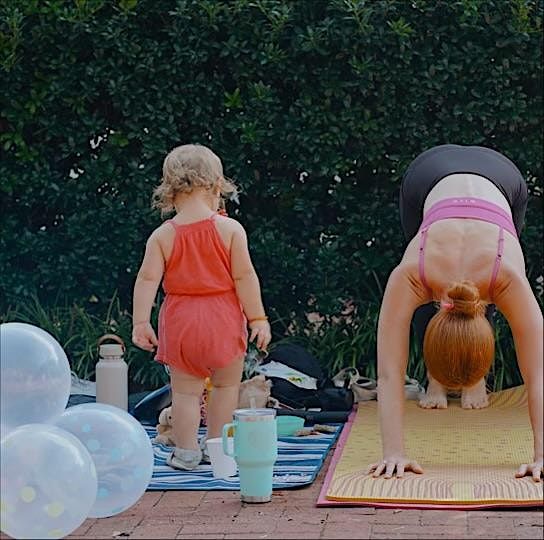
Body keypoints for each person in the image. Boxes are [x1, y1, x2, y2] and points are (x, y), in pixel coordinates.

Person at [368, 144, 543, 482]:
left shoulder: (507, 278)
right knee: (414, 299)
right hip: (429, 178)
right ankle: (438, 380)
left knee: (460, 294)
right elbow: (389, 374)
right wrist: (392, 452)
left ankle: (472, 380)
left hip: (502, 181)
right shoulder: (410, 275)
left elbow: (540, 374)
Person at [132, 144, 271, 470]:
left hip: (182, 320)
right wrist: (258, 318)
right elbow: (245, 277)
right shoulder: (230, 229)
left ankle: (186, 453)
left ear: (169, 188)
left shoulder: (163, 236)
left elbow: (147, 279)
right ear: (217, 185)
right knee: (225, 387)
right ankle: (216, 450)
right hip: (222, 317)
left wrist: (141, 322)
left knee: (185, 394)